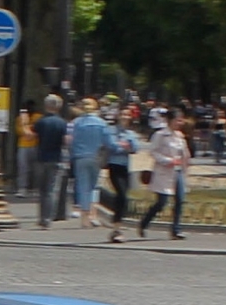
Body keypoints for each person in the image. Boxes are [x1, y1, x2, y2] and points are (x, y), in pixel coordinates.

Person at [139, 114, 193, 239]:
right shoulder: (160, 135)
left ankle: (176, 229)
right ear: (169, 120)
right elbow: (153, 152)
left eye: (181, 120)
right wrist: (167, 160)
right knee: (162, 202)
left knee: (180, 199)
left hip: (177, 171)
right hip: (164, 172)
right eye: (177, 120)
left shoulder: (180, 136)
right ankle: (144, 222)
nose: (179, 123)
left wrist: (186, 163)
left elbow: (184, 153)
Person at [67, 98, 110, 228]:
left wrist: (73, 154)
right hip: (96, 157)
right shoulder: (102, 123)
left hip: (80, 157)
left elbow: (72, 142)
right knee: (95, 186)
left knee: (83, 187)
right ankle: (94, 215)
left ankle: (84, 218)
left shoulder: (77, 123)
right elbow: (107, 142)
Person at [30, 95, 72, 227]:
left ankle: (42, 217)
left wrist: (25, 123)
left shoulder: (41, 121)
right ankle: (47, 219)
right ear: (58, 106)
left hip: (41, 157)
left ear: (46, 106)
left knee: (42, 190)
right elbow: (66, 141)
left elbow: (31, 136)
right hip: (57, 158)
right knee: (51, 190)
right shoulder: (62, 123)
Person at [102, 107, 137, 240]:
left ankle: (116, 228)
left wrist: (124, 145)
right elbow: (111, 146)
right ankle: (117, 228)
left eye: (127, 115)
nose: (125, 116)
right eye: (122, 114)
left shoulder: (131, 133)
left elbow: (135, 147)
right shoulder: (110, 130)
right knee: (121, 194)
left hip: (125, 167)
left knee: (123, 197)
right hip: (114, 165)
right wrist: (124, 146)